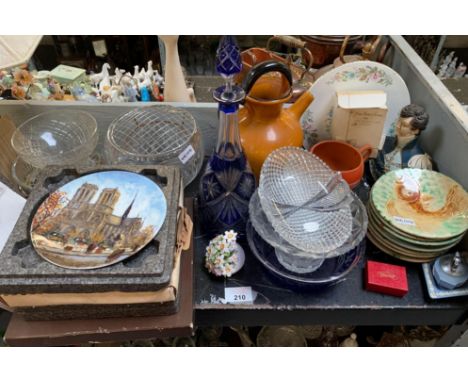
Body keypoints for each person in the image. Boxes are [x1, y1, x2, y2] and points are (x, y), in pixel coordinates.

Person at [369, 104, 432, 181]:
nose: (398, 125)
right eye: (399, 120)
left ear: (415, 130)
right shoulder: (383, 141)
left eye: (404, 125)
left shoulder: (419, 161)